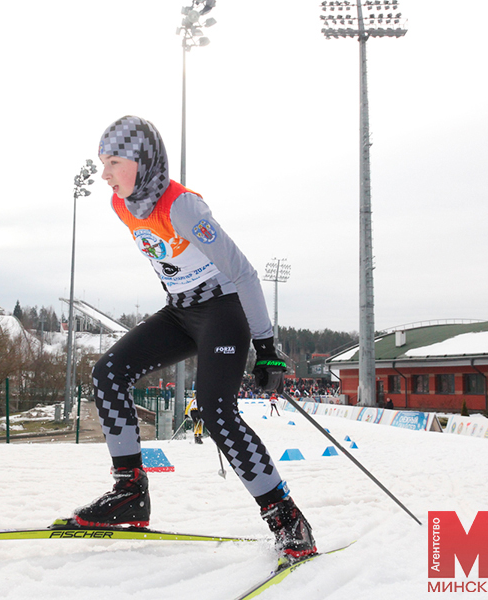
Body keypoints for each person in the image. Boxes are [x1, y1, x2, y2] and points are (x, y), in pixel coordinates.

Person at [71, 116, 316, 564]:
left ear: (141, 162)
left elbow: (242, 272)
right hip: (182, 311)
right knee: (107, 374)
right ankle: (130, 493)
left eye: (112, 161)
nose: (104, 173)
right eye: (100, 162)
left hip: (224, 310)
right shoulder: (121, 204)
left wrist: (266, 348)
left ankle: (286, 518)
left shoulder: (182, 207)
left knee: (217, 410)